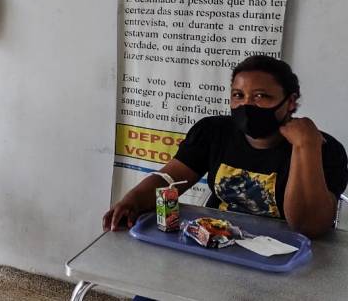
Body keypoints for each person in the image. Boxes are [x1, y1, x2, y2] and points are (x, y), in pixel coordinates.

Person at [104, 55, 348, 239]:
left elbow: (309, 226)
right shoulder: (214, 131)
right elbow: (170, 177)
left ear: (291, 101)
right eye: (238, 95)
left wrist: (305, 146)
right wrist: (132, 200)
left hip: (282, 254)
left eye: (261, 96)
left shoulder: (324, 149)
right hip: (216, 240)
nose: (246, 105)